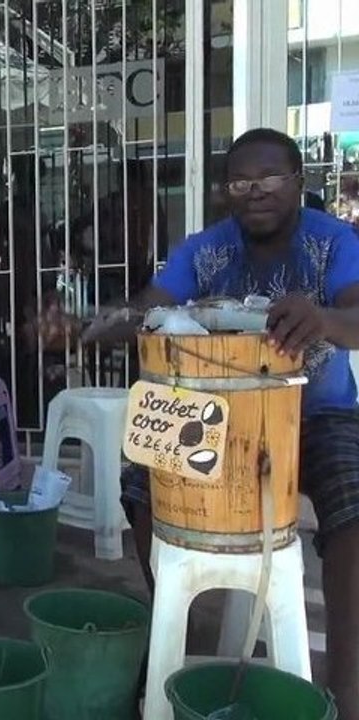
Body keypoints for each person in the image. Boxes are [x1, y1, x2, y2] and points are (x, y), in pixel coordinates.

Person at [83, 128, 359, 719]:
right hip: (218, 416)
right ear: (224, 191)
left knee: (354, 503)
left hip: (316, 413)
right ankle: (175, 630)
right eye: (240, 181)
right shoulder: (204, 250)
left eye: (270, 177)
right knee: (143, 480)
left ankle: (347, 689)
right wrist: (92, 323)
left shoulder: (334, 242)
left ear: (298, 182)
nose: (255, 191)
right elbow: (147, 309)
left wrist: (324, 320)